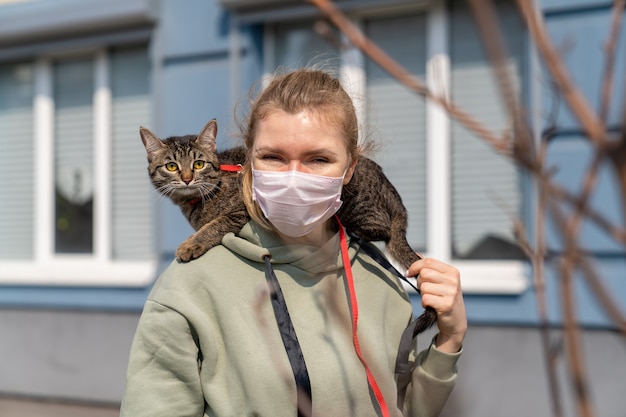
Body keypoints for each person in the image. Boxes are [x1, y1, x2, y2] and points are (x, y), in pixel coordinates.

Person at [120, 68, 467, 417]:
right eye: (273, 157)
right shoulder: (187, 289)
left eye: (318, 159)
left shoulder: (380, 276)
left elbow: (400, 408)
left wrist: (449, 340)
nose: (293, 177)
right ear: (246, 163)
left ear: (350, 169)